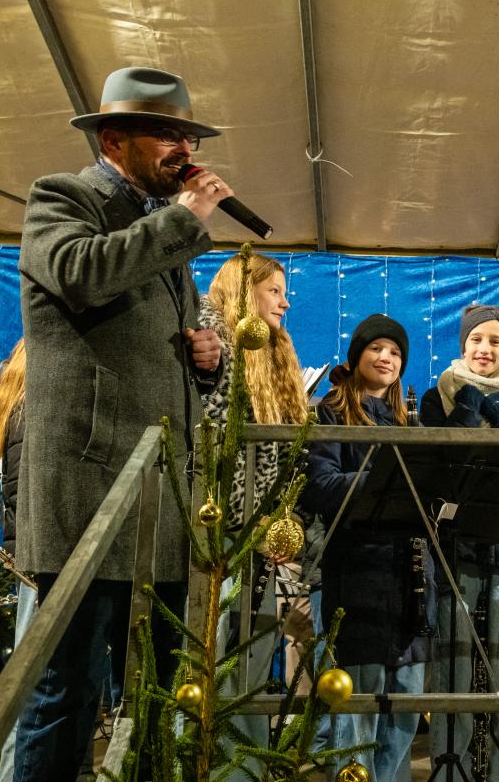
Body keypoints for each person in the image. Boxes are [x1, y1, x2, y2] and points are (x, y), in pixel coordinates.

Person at [14, 66, 227, 782]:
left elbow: (156, 351)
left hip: (159, 508)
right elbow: (80, 273)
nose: (183, 148)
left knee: (156, 700)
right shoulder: (63, 198)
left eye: (188, 136)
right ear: (113, 139)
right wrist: (184, 219)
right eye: (165, 133)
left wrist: (203, 361)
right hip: (89, 498)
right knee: (65, 695)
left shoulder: (162, 229)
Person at [420, 304, 499, 781]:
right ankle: (449, 770)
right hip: (455, 549)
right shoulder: (439, 397)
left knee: (497, 672)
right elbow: (438, 470)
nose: (484, 349)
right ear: (463, 344)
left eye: (495, 341)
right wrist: (467, 417)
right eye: (476, 339)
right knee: (452, 669)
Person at [299, 314, 428, 782]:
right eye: (376, 348)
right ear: (356, 357)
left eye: (395, 352)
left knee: (404, 712)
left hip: (410, 579)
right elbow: (320, 485)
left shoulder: (411, 418)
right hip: (357, 576)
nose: (386, 358)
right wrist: (384, 481)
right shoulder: (330, 413)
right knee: (357, 714)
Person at [198, 251, 311, 778]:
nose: (285, 303)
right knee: (214, 657)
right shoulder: (214, 342)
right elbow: (214, 443)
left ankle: (243, 768)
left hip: (260, 540)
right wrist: (247, 521)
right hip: (217, 537)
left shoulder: (276, 355)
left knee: (251, 659)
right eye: (274, 291)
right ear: (246, 292)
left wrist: (277, 521)